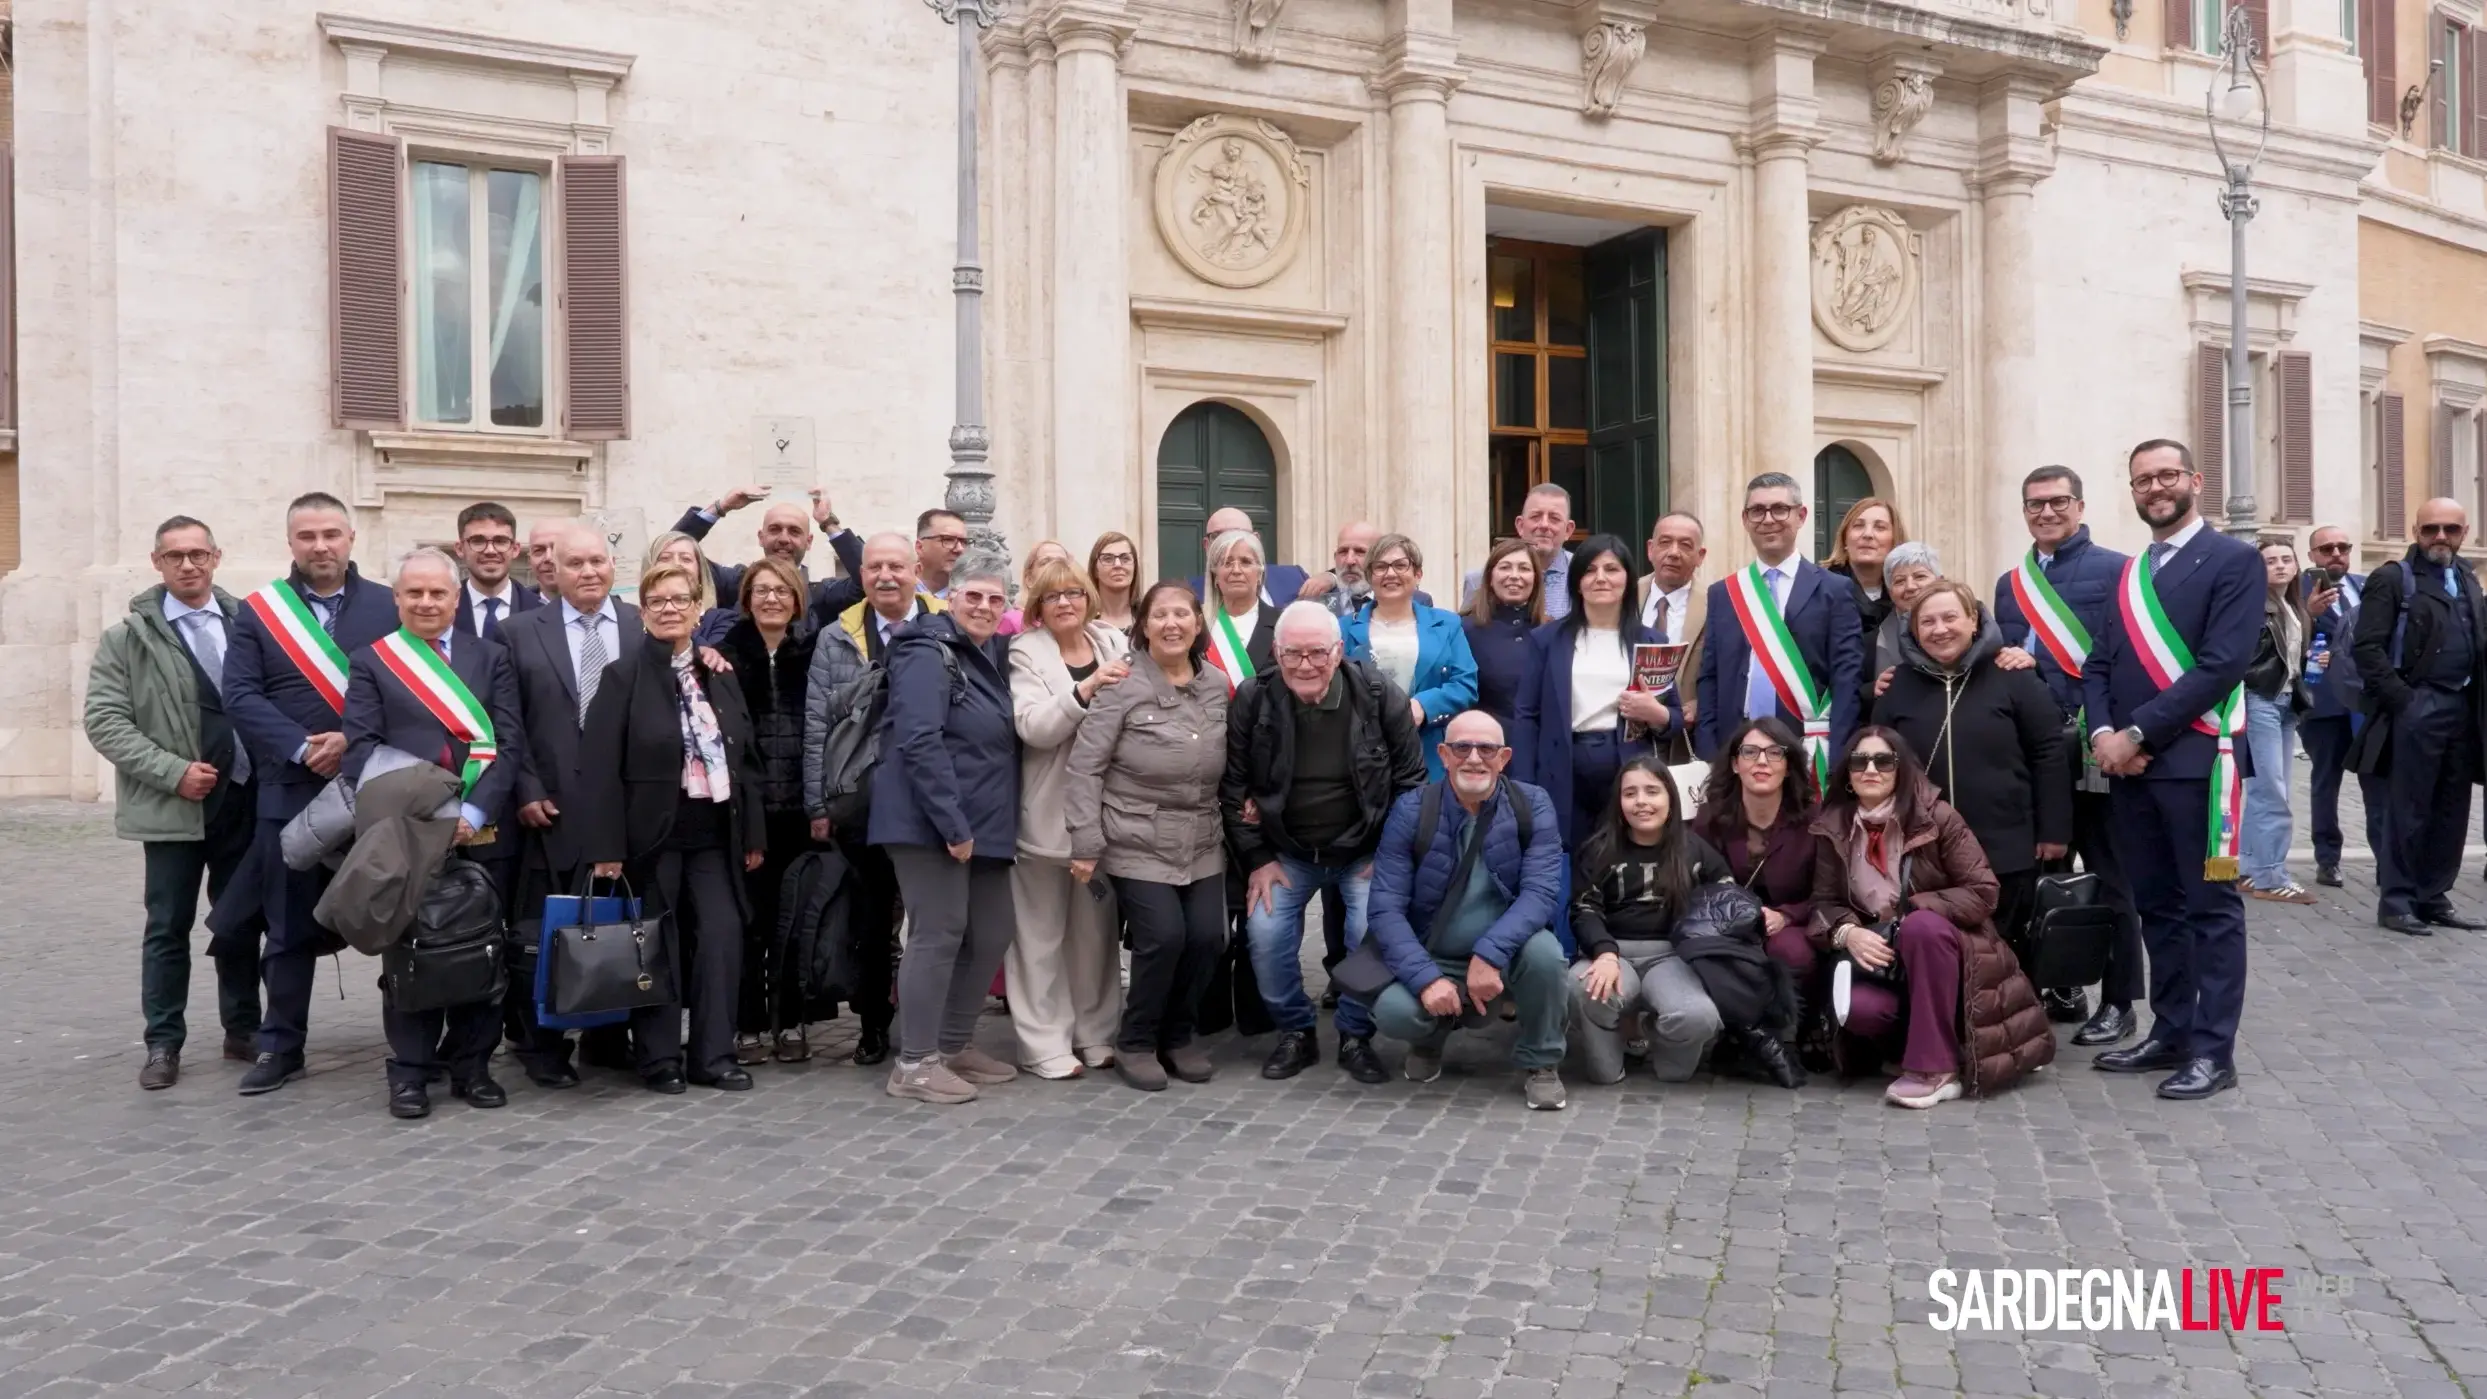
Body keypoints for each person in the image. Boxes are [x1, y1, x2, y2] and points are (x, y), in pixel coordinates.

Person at [2083, 439, 2265, 1100]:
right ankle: (2171, 1029)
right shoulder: (2129, 573)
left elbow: (2220, 665)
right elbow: (2096, 663)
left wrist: (2136, 730)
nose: (2154, 487)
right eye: (2141, 479)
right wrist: (2104, 734)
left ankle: (2214, 1051)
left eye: (2165, 475)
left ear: (2193, 478)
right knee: (2155, 904)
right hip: (2130, 775)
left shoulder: (2234, 560)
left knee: (2212, 905)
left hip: (2202, 774)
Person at [221, 491, 402, 1095]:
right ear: (291, 543)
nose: (320, 546)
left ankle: (408, 1044)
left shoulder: (389, 605)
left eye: (331, 534)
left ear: (351, 538)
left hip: (372, 788)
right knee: (288, 926)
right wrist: (303, 746)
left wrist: (349, 740)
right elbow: (240, 695)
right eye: (307, 536)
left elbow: (411, 691)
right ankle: (280, 1047)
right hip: (290, 791)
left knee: (393, 918)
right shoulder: (259, 612)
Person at [340, 547, 526, 1118]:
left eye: (437, 593)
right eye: (414, 593)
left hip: (484, 830)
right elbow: (361, 753)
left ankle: (472, 1065)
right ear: (397, 599)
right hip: (408, 836)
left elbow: (510, 743)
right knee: (410, 956)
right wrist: (436, 813)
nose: (426, 602)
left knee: (481, 950)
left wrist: (472, 814)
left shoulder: (490, 657)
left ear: (454, 598)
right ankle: (411, 1073)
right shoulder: (373, 662)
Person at [84, 515, 263, 1090]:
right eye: (175, 556)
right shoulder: (128, 637)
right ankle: (163, 1042)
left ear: (216, 557)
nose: (188, 565)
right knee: (168, 928)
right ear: (157, 563)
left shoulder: (249, 624)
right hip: (173, 807)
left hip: (244, 801)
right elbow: (104, 721)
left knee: (240, 923)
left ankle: (244, 1030)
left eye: (198, 554)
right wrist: (173, 772)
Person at [576, 562, 769, 1094]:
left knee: (722, 938)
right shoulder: (623, 676)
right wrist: (606, 847)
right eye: (657, 602)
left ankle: (714, 1054)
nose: (669, 609)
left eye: (679, 600)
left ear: (697, 610)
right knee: (656, 945)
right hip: (649, 841)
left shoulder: (718, 671)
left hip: (714, 836)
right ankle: (659, 1057)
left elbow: (744, 757)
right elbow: (599, 768)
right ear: (642, 612)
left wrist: (753, 833)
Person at [1222, 602, 1427, 1082]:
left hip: (1364, 852)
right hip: (1286, 852)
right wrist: (1256, 858)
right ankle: (1296, 1030)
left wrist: (1389, 855)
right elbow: (1234, 787)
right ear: (1276, 652)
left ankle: (1356, 1033)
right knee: (1266, 937)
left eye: (1317, 653)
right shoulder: (1254, 699)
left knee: (1367, 937)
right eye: (1293, 653)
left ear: (1338, 653)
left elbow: (1412, 785)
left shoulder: (1379, 696)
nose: (1305, 665)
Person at [1808, 728, 2054, 1108]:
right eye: (1859, 761)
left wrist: (1916, 910)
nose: (1870, 769)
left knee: (1921, 928)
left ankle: (1936, 1070)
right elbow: (1823, 902)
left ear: (1902, 769)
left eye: (1883, 760)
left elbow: (1983, 892)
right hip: (1886, 960)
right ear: (1848, 774)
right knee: (1858, 1010)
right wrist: (1847, 933)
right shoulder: (1834, 825)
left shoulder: (1936, 816)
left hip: (1950, 950)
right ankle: (1921, 1046)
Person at [1989, 464, 2146, 1045]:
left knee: (2111, 879)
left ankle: (2121, 1000)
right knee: (2040, 877)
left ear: (2080, 506)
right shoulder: (2011, 583)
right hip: (2032, 756)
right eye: (2035, 505)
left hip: (2092, 752)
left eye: (2058, 502)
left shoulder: (2118, 570)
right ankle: (2054, 984)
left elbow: (2124, 664)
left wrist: (2048, 671)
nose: (2047, 513)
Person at [1064, 581, 1230, 1091]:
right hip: (1136, 835)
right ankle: (1136, 1040)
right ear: (1144, 625)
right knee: (1163, 938)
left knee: (1207, 937)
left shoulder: (1216, 686)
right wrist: (1086, 842)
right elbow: (1085, 768)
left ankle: (1177, 1037)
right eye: (1161, 615)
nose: (1172, 624)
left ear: (1198, 624)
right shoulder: (1121, 684)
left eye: (1183, 614)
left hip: (1202, 836)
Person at [1362, 711, 1571, 1109]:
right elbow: (1385, 909)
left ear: (1504, 757)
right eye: (1462, 747)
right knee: (1391, 1011)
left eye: (1487, 748)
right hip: (1434, 951)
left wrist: (1490, 954)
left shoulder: (1533, 804)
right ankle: (1429, 1039)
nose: (1474, 758)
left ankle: (1542, 1061)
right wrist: (1426, 979)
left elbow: (1541, 894)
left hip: (1507, 952)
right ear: (1443, 754)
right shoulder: (1411, 809)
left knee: (1546, 955)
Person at [873, 549, 1023, 1103]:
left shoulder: (986, 654)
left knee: (993, 930)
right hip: (927, 822)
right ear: (950, 596)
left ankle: (953, 1043)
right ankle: (914, 1063)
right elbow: (919, 740)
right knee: (937, 934)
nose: (984, 606)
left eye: (995, 598)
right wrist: (952, 824)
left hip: (982, 823)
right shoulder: (924, 650)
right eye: (973, 596)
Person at [500, 522, 640, 1087]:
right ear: (550, 570)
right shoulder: (517, 633)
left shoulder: (638, 625)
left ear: (612, 566)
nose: (588, 572)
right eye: (575, 563)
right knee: (546, 931)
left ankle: (607, 1037)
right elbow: (509, 721)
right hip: (549, 807)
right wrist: (527, 788)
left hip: (621, 808)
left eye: (598, 562)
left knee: (613, 923)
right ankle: (543, 1046)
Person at [802, 532, 945, 1066]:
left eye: (896, 566)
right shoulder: (835, 638)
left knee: (934, 918)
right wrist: (819, 804)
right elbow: (817, 723)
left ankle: (940, 1026)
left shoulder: (942, 626)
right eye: (874, 567)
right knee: (870, 919)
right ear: (861, 576)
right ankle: (873, 1024)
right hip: (860, 801)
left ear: (915, 569)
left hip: (927, 798)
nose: (885, 576)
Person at [1870, 581, 2070, 951]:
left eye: (1950, 617)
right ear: (1913, 630)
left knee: (2008, 952)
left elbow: (2048, 752)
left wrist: (2054, 830)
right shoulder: (1897, 685)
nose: (1940, 629)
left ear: (1974, 620)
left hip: (2006, 845)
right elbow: (1879, 762)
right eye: (1927, 622)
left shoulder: (2014, 676)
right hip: (1923, 850)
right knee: (1938, 949)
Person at [1006, 555, 1131, 1079]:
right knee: (1039, 936)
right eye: (1053, 596)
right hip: (1046, 816)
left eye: (1074, 594)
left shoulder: (1112, 643)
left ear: (1089, 598)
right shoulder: (1026, 650)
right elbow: (1032, 726)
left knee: (1096, 934)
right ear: (1038, 605)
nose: (1065, 603)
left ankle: (1097, 1032)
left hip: (1105, 816)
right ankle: (1043, 1042)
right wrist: (1084, 690)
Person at [2351, 497, 2487, 937]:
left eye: (2450, 529)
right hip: (2417, 705)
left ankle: (2433, 896)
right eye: (2431, 529)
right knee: (2407, 809)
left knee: (2451, 808)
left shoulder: (2467, 578)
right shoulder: (2393, 579)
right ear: (2416, 531)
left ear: (2465, 533)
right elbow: (2367, 647)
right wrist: (2403, 701)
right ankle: (2396, 901)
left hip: (2463, 708)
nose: (2440, 537)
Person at [1570, 759, 1738, 1086]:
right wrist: (1604, 953)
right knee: (1583, 989)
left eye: (1652, 791)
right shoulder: (1598, 850)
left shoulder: (1694, 849)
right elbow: (1583, 909)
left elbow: (1726, 894)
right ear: (1619, 803)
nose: (1641, 801)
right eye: (1630, 793)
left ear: (1670, 800)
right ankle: (1617, 1035)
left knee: (1697, 1019)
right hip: (1613, 954)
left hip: (1672, 957)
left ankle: (1653, 1035)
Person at [718, 559, 823, 1066]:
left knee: (796, 924)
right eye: (761, 591)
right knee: (750, 924)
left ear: (798, 599)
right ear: (746, 598)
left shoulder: (814, 651)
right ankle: (748, 1023)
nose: (771, 599)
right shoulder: (724, 655)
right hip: (747, 812)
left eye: (782, 591)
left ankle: (793, 1020)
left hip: (802, 811)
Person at [1695, 473, 1864, 773]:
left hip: (1807, 753)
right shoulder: (1724, 593)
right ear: (1745, 520)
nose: (1768, 519)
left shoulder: (1834, 590)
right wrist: (1710, 751)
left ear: (1801, 516)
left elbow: (1847, 679)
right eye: (1757, 511)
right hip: (1736, 753)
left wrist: (1836, 755)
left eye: (1779, 509)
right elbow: (1709, 677)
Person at [1511, 534, 1673, 843]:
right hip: (1562, 766)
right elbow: (1526, 716)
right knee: (1565, 860)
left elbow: (1673, 718)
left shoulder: (1651, 642)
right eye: (1590, 570)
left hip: (1627, 766)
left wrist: (1656, 713)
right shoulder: (1546, 640)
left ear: (1628, 578)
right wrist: (1524, 785)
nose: (1601, 578)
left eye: (1611, 569)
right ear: (1576, 581)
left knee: (1625, 854)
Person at [1690, 718, 1821, 1044]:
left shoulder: (1814, 820)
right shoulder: (1710, 819)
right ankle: (1737, 1035)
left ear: (1788, 766)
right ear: (1735, 764)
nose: (1761, 761)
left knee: (1792, 951)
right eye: (1750, 752)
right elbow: (1696, 886)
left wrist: (1787, 915)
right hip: (1727, 925)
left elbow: (1828, 891)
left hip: (1790, 924)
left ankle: (1796, 1036)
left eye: (1774, 753)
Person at [1342, 534, 1478, 778]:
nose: (1390, 574)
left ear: (1418, 575)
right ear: (1370, 576)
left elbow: (1465, 684)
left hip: (1429, 754)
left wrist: (1423, 706)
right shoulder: (1342, 627)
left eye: (1401, 565)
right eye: (1380, 567)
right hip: (1362, 757)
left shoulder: (1447, 624)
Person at [2241, 540, 2314, 905]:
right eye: (2271, 561)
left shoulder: (2294, 607)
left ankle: (2251, 868)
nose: (2280, 566)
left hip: (2285, 703)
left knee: (2266, 788)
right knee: (2271, 790)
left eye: (2287, 559)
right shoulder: (2253, 606)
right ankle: (2271, 875)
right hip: (2261, 700)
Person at [669, 486, 865, 618]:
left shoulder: (822, 595)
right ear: (761, 537)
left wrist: (828, 523)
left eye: (794, 531)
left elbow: (869, 579)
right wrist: (721, 507)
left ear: (809, 542)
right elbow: (669, 557)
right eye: (775, 529)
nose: (783, 539)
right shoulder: (734, 583)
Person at [2297, 525, 2363, 888]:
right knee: (2326, 782)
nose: (2335, 553)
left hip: (2367, 700)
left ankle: (2387, 858)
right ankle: (2328, 859)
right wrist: (2308, 612)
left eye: (2342, 546)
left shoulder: (2367, 587)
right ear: (2312, 557)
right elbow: (2288, 634)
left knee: (2378, 784)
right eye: (2326, 548)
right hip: (2324, 703)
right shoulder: (2299, 591)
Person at [1638, 512, 1709, 763]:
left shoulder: (1718, 604)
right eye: (1665, 542)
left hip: (1686, 740)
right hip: (1628, 740)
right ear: (1650, 549)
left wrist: (1704, 703)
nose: (1674, 552)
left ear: (1700, 556)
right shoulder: (1623, 597)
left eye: (1686, 545)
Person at [1463, 538, 1545, 736]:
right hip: (1485, 746)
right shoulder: (1464, 630)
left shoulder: (1551, 631)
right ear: (1490, 577)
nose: (1514, 576)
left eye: (1524, 568)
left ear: (1535, 579)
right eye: (1505, 567)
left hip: (1540, 747)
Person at [1460, 484, 1576, 620]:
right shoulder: (1478, 580)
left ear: (1568, 530)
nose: (1544, 525)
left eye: (1554, 518)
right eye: (1536, 516)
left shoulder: (1583, 576)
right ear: (1520, 525)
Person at [1203, 529, 1282, 693]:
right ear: (1215, 576)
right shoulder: (1200, 625)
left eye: (1245, 562)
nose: (1236, 570)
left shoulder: (1282, 623)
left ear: (1260, 573)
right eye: (1227, 562)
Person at [451, 502, 543, 643]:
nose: (490, 551)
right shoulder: (441, 608)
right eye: (478, 541)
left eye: (500, 541)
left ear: (515, 549)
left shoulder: (542, 611)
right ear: (459, 549)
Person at [1826, 497, 1906, 652]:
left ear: (1895, 539)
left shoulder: (1908, 592)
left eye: (1880, 527)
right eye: (1858, 526)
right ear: (1845, 539)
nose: (1867, 534)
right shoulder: (1820, 588)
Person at [1188, 506, 1314, 603]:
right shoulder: (1189, 594)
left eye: (1240, 534)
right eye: (1219, 536)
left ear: (1256, 540)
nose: (1230, 543)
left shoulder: (1294, 578)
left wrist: (1331, 577)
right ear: (1206, 545)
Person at [1869, 542, 1946, 680]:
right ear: (1890, 592)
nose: (1910, 587)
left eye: (1920, 577)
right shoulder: (1876, 639)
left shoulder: (1973, 624)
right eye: (1899, 581)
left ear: (1940, 581)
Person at [997, 540, 1075, 637]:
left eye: (1061, 562)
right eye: (1045, 562)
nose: (1053, 567)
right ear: (1029, 579)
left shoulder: (1075, 618)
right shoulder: (1012, 621)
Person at [1310, 520, 1383, 616]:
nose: (1349, 561)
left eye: (1360, 551)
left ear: (1379, 558)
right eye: (1343, 551)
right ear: (1335, 557)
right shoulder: (1317, 604)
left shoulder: (1397, 599)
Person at [1089, 531, 1142, 632]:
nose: (1118, 565)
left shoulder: (1147, 617)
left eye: (1125, 558)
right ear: (1095, 569)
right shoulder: (1083, 620)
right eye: (1108, 559)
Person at [917, 509, 972, 599]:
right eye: (948, 539)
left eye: (964, 542)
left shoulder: (974, 597)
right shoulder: (895, 589)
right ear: (920, 547)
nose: (959, 549)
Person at [524, 519, 570, 604]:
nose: (549, 558)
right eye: (539, 550)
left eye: (556, 548)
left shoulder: (599, 608)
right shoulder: (514, 610)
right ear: (529, 560)